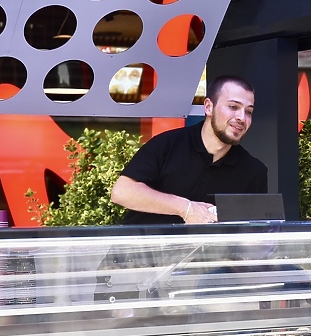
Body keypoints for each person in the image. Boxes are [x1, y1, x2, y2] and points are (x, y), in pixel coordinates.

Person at [110, 75, 268, 225]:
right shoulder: (168, 144)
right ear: (208, 107)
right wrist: (185, 208)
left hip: (208, 254)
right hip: (142, 251)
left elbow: (254, 234)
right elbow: (122, 192)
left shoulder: (254, 171)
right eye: (233, 107)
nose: (242, 117)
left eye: (249, 111)